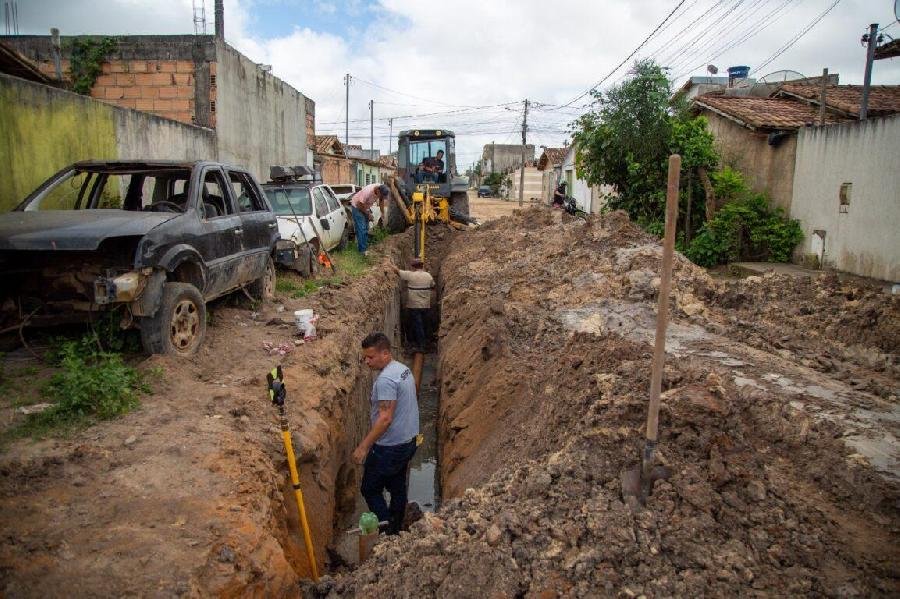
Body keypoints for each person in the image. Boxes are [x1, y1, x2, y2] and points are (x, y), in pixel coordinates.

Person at [353, 332, 420, 535]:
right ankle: (398, 523)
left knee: (370, 488)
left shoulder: (386, 381)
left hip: (391, 447)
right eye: (365, 357)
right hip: (410, 440)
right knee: (397, 484)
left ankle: (387, 528)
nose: (366, 361)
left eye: (371, 357)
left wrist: (363, 446)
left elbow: (385, 418)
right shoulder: (402, 370)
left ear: (385, 354)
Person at [391, 258, 435, 351]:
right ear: (422, 266)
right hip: (426, 305)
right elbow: (433, 285)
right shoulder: (428, 275)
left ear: (413, 267)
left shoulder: (410, 275)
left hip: (414, 306)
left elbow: (397, 271)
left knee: (417, 325)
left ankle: (420, 345)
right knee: (425, 324)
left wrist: (389, 263)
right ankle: (426, 342)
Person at [350, 183, 389, 256]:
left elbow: (381, 201)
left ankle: (364, 248)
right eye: (381, 195)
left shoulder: (381, 189)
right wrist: (368, 214)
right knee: (361, 228)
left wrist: (382, 214)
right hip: (357, 207)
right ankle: (362, 252)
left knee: (366, 228)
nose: (381, 197)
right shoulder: (367, 192)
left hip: (365, 207)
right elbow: (359, 204)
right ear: (378, 191)